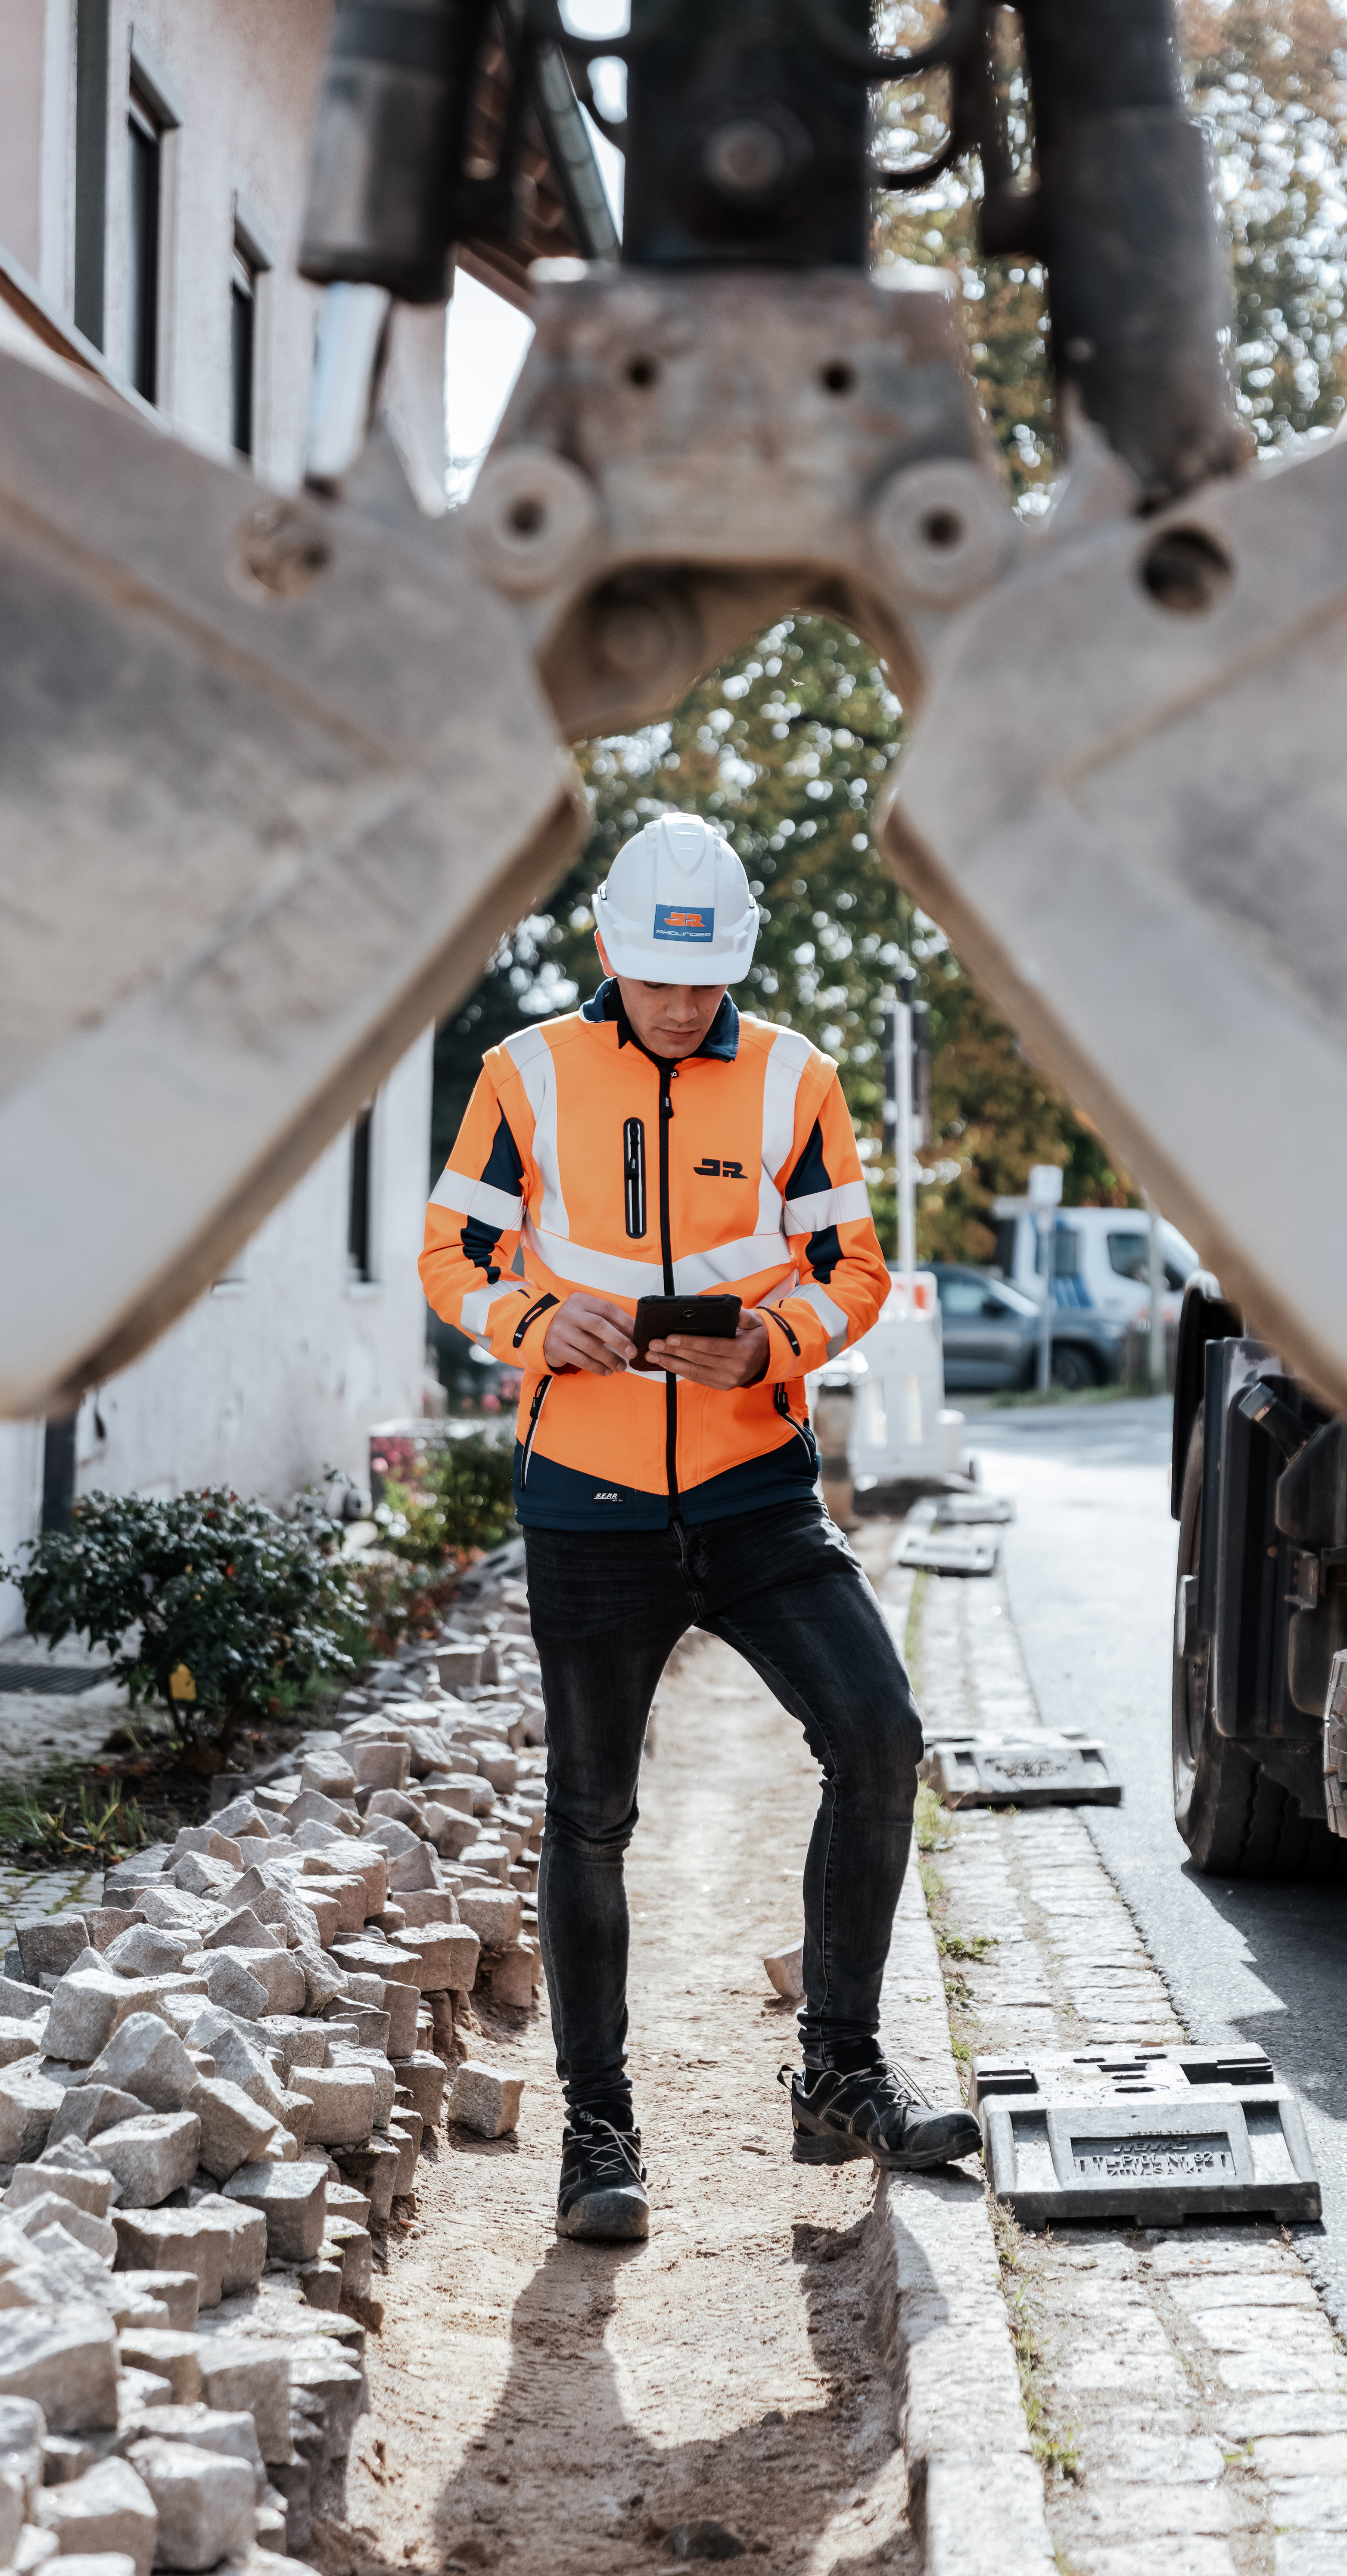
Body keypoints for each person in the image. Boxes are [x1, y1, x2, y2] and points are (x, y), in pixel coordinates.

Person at [420, 812, 979, 2241]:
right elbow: (453, 1253)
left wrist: (776, 1344)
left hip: (754, 1493)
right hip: (587, 1506)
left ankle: (839, 2071)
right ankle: (598, 2136)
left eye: (707, 981)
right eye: (661, 980)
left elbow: (853, 1266)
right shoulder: (522, 1074)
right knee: (592, 1816)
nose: (684, 1006)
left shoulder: (796, 1077)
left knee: (876, 1735)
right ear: (610, 951)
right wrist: (542, 1323)